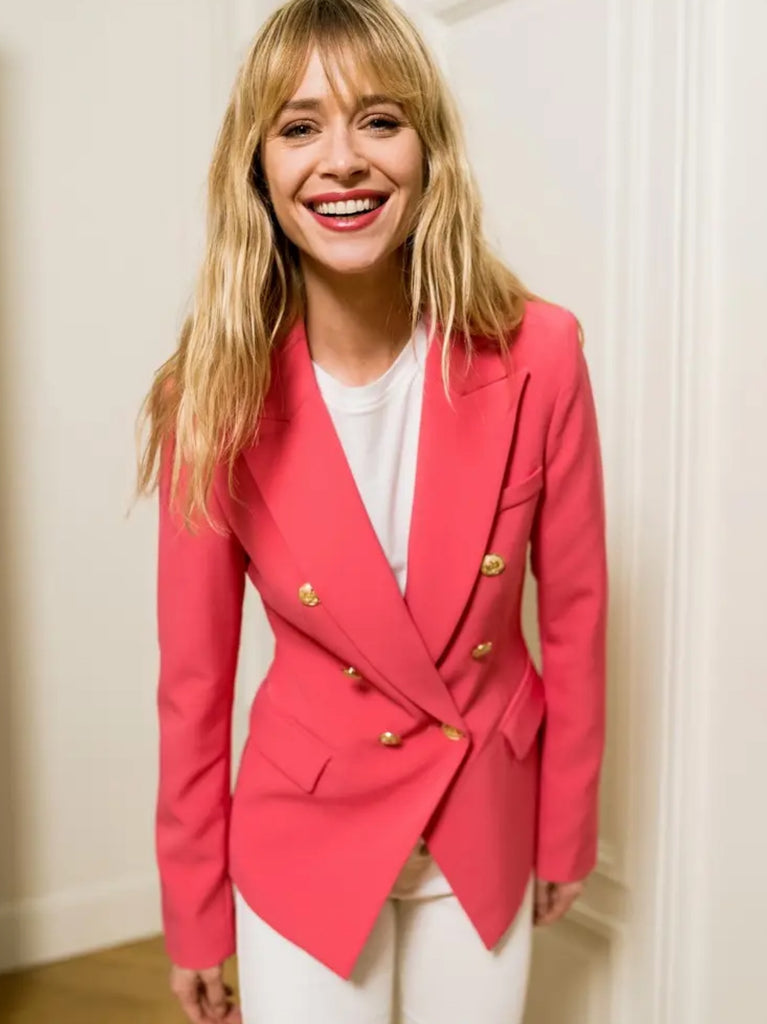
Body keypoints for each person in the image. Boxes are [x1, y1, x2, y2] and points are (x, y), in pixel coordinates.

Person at [134, 0, 608, 1020]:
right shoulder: (208, 395)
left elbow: (573, 617)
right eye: (299, 126)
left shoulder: (541, 355)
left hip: (481, 817)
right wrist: (194, 909)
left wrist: (564, 826)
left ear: (428, 150)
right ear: (255, 167)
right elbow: (193, 682)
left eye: (379, 120)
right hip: (303, 834)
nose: (341, 159)